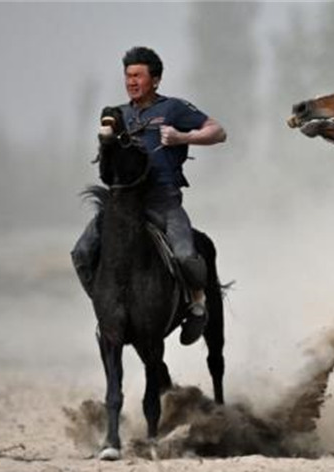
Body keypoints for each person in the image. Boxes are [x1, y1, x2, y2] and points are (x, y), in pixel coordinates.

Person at [71, 46, 227, 345]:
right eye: (128, 76)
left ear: (155, 80)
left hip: (163, 200)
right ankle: (106, 308)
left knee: (184, 255)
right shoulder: (117, 115)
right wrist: (105, 141)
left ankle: (197, 304)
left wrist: (184, 137)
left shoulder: (174, 109)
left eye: (138, 75)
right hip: (122, 205)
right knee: (81, 252)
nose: (131, 81)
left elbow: (218, 132)